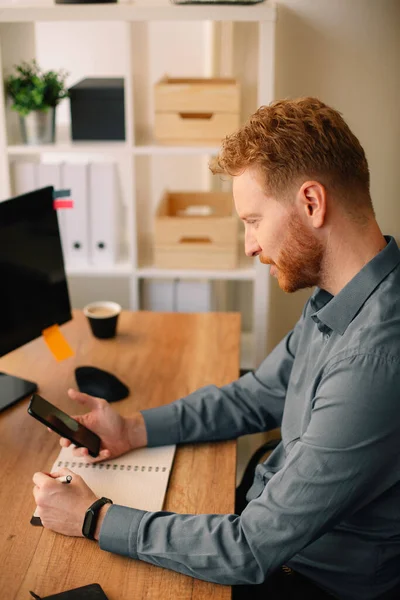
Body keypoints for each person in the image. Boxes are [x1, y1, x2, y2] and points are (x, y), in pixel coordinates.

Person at [33, 97, 400, 600]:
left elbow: (250, 547)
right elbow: (257, 395)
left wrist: (95, 518)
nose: (249, 245)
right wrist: (133, 429)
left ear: (311, 203)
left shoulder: (375, 361)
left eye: (253, 220)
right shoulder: (339, 295)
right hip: (272, 530)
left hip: (306, 578)